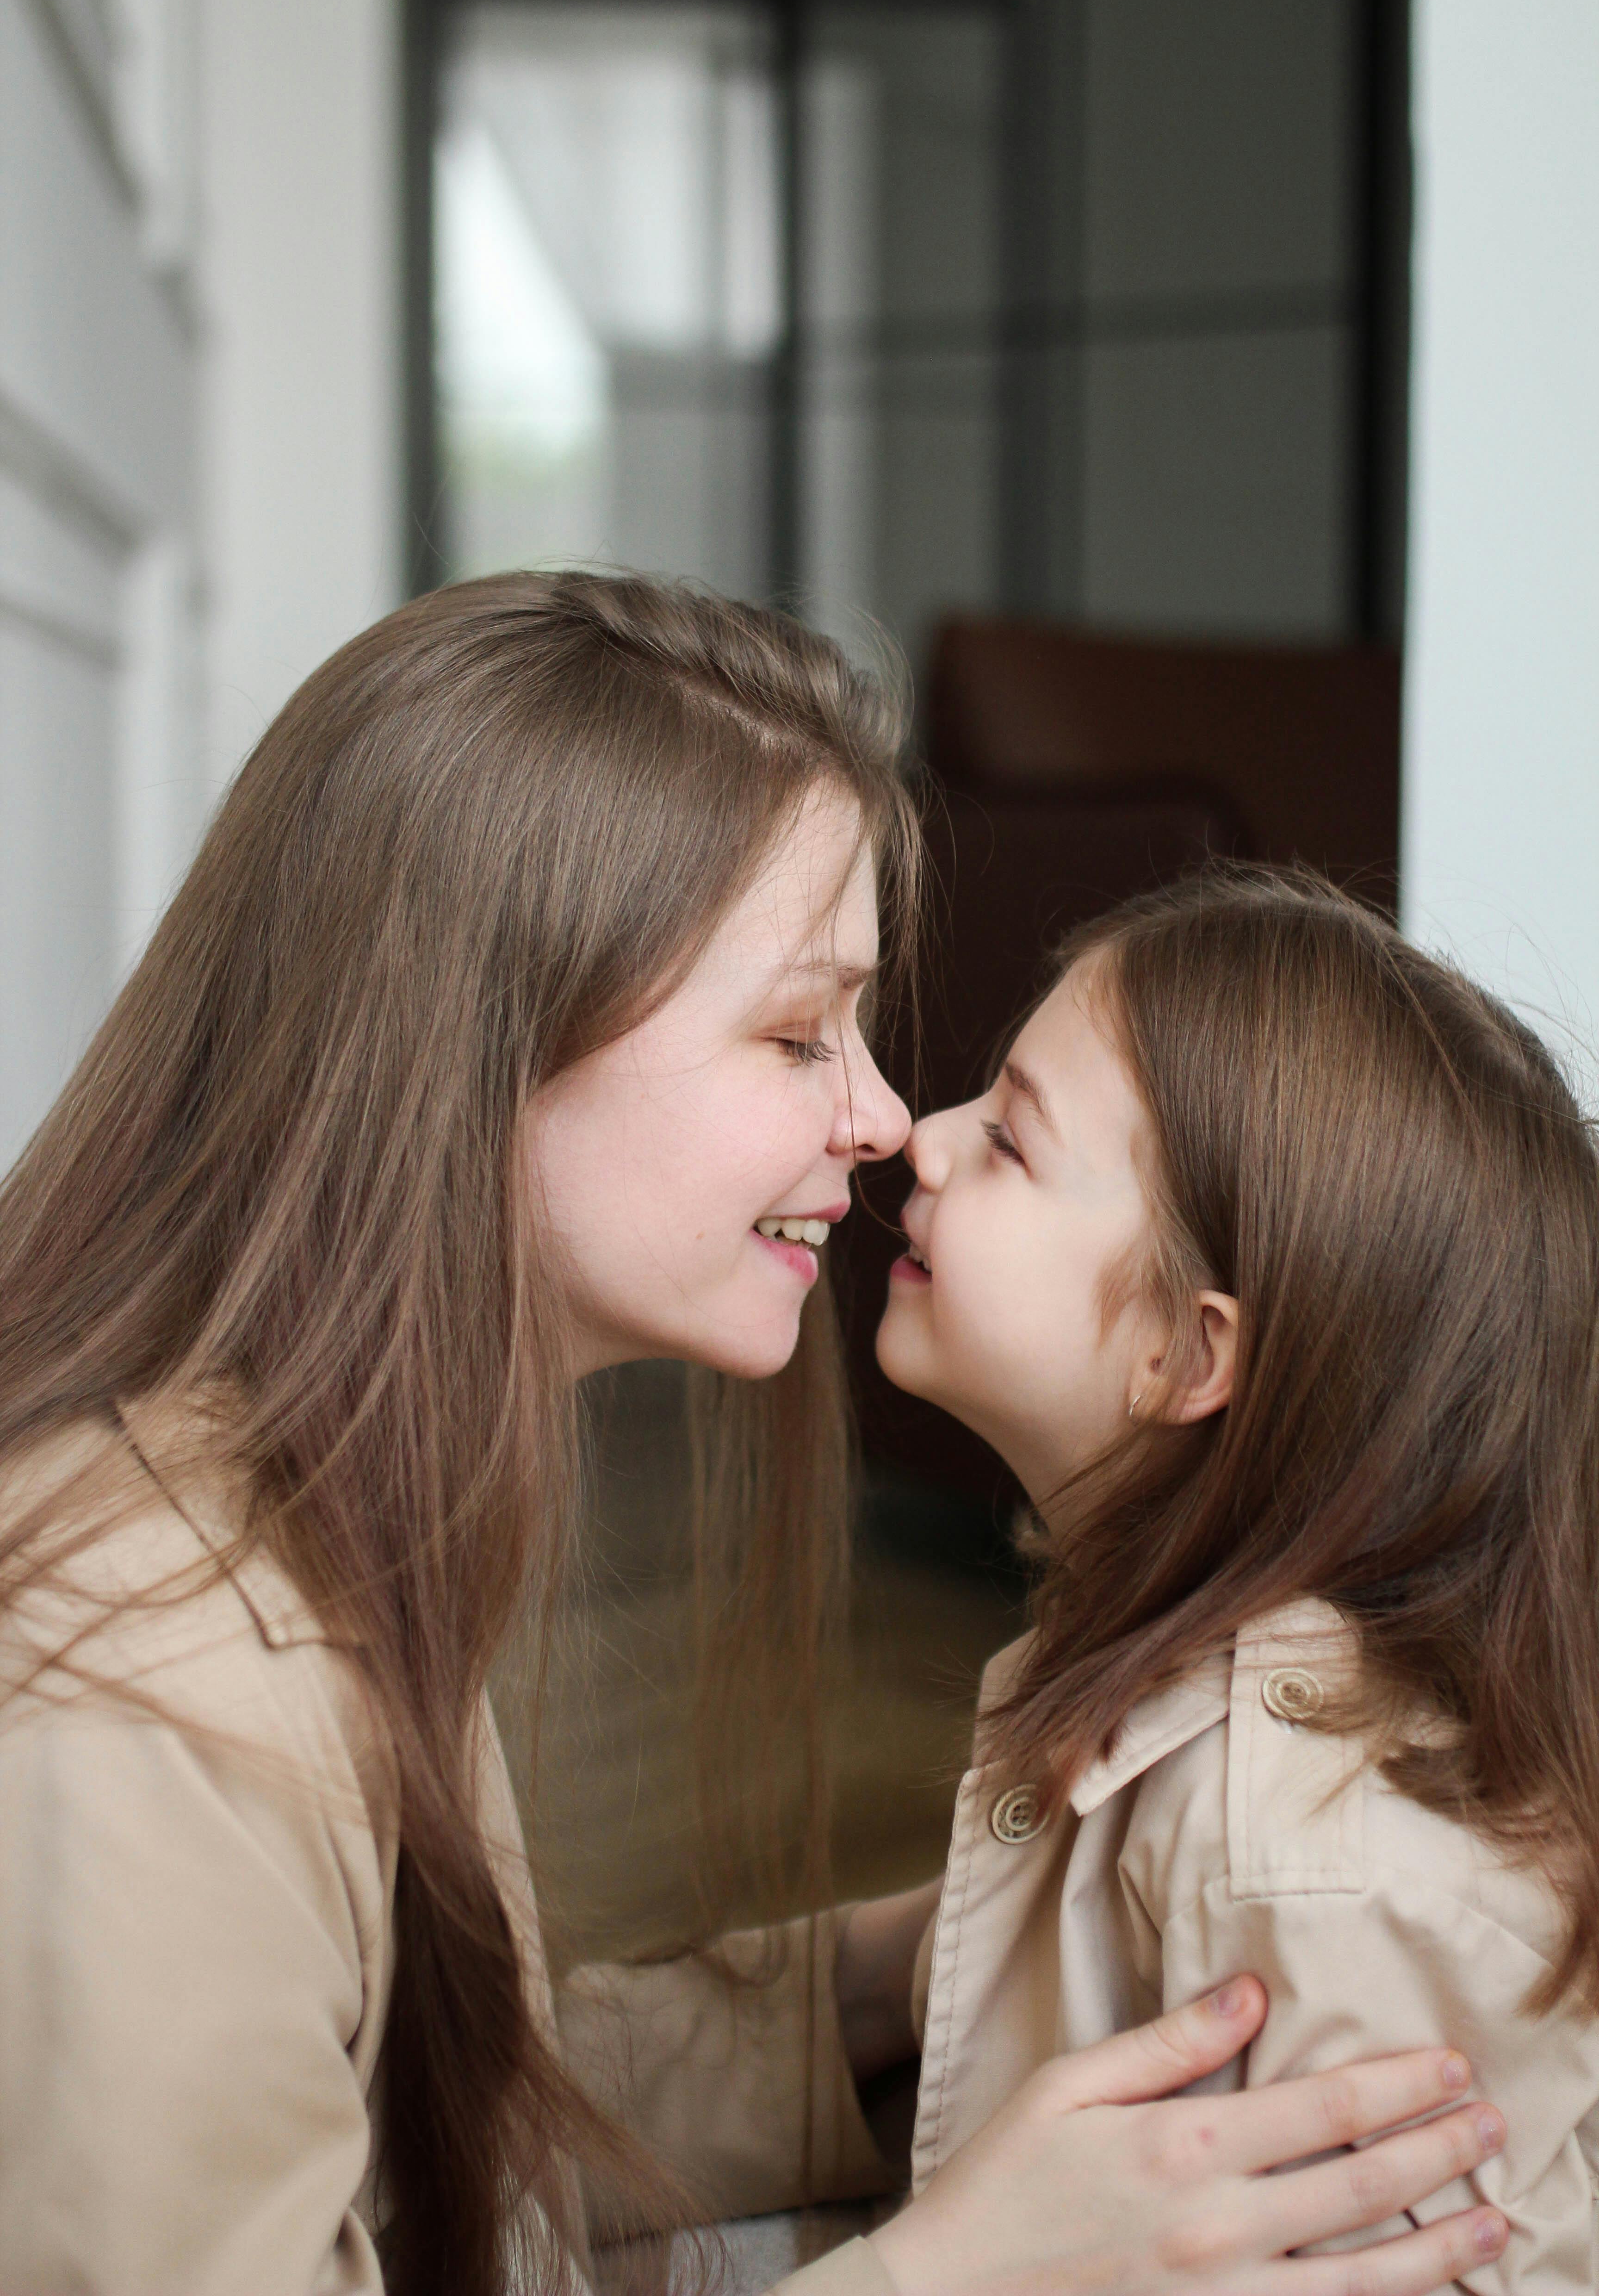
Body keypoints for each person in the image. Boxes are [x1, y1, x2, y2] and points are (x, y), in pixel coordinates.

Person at [0, 576, 1506, 2296]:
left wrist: (909, 1981)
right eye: (799, 1033)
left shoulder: (328, 1495)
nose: (880, 1121)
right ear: (477, 1049)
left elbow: (418, 2121)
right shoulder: (138, 1683)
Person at [876, 868, 1599, 2290]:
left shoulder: (1307, 1865)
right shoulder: (1167, 1679)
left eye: (1011, 1141)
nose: (923, 1136)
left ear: (1189, 1357)